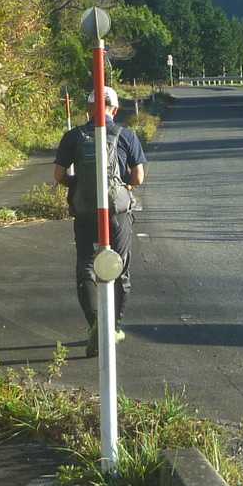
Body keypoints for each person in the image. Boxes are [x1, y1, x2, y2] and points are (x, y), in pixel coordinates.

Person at [53, 86, 146, 351]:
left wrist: (76, 184)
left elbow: (58, 175)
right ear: (114, 110)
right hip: (116, 212)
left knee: (86, 266)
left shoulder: (73, 136)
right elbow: (138, 177)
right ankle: (113, 327)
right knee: (120, 268)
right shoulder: (126, 135)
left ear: (88, 110)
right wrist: (124, 186)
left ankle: (95, 322)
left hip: (85, 210)